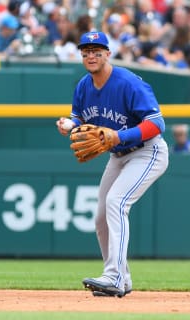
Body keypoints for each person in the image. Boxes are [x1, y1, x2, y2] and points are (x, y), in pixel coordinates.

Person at [55, 31, 169, 298]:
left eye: (97, 50)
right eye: (86, 51)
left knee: (116, 202)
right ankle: (122, 278)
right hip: (117, 155)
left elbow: (157, 124)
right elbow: (78, 118)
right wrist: (68, 125)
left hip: (147, 152)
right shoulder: (84, 85)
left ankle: (114, 277)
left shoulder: (128, 82)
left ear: (108, 53)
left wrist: (120, 136)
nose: (91, 55)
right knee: (100, 217)